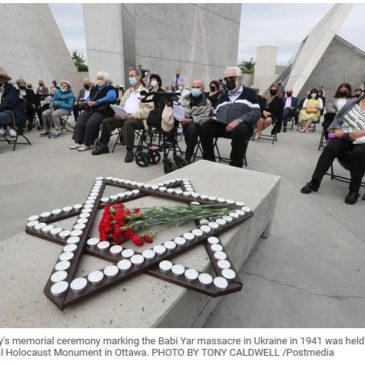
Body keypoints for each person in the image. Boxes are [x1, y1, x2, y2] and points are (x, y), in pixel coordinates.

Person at [301, 94, 365, 205]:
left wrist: (362, 132)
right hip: (344, 135)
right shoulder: (352, 102)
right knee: (330, 147)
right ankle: (315, 182)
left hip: (362, 139)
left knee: (358, 153)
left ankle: (354, 190)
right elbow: (338, 118)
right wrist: (336, 129)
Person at [199, 66, 260, 168]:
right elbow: (215, 111)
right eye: (226, 79)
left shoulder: (249, 93)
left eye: (232, 78)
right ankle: (209, 162)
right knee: (204, 128)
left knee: (240, 130)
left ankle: (235, 165)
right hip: (222, 125)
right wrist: (213, 118)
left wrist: (238, 120)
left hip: (242, 126)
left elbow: (256, 112)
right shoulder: (223, 95)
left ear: (240, 79)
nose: (228, 81)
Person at [91, 67, 152, 161]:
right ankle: (103, 146)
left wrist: (133, 116)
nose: (130, 78)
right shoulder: (128, 91)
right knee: (106, 121)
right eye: (129, 76)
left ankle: (130, 151)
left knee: (128, 124)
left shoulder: (146, 93)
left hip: (137, 119)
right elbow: (122, 105)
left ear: (139, 76)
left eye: (132, 76)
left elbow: (148, 110)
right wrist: (118, 112)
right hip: (124, 116)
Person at [70, 71, 117, 151]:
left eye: (101, 78)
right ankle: (79, 142)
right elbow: (89, 98)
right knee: (80, 121)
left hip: (101, 111)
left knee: (90, 123)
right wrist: (84, 101)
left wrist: (98, 102)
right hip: (90, 109)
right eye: (98, 78)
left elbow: (112, 97)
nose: (99, 80)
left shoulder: (110, 88)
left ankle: (87, 144)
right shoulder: (94, 88)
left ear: (106, 80)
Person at [179, 79, 212, 163]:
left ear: (203, 89)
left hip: (196, 126)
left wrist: (191, 119)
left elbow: (205, 117)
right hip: (181, 122)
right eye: (193, 87)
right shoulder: (184, 98)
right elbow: (179, 109)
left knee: (192, 128)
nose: (195, 89)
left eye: (197, 87)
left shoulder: (207, 103)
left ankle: (188, 156)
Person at [0, 67, 26, 137]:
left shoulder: (12, 89)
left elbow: (7, 104)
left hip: (12, 114)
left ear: (4, 79)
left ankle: (8, 127)